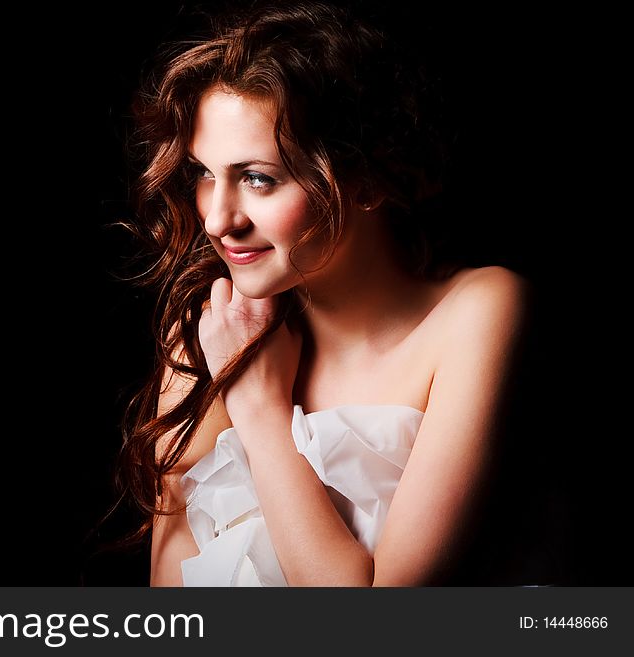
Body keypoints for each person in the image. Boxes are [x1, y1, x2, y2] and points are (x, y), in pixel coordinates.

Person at [116, 0, 529, 586]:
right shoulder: (207, 330)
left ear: (363, 178)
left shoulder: (477, 311)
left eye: (258, 178)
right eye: (205, 174)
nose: (216, 219)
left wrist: (260, 413)